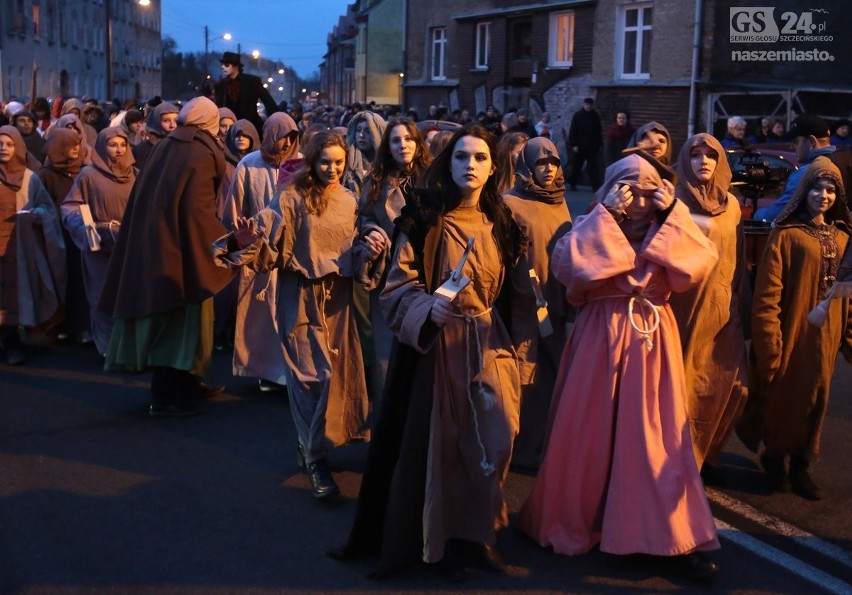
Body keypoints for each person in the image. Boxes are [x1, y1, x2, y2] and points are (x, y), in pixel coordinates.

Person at [333, 124, 527, 580]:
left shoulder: (502, 223)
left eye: (480, 158)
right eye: (462, 157)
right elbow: (396, 286)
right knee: (442, 447)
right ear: (449, 162)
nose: (471, 166)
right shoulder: (423, 217)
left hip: (486, 343)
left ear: (493, 166)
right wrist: (427, 308)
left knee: (495, 438)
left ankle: (480, 532)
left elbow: (516, 290)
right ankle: (444, 537)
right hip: (436, 351)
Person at [517, 153, 721, 582]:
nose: (641, 202)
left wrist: (674, 211)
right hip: (600, 338)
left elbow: (700, 265)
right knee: (588, 433)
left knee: (655, 439)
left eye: (649, 192)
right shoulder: (590, 224)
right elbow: (568, 266)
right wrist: (606, 213)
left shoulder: (668, 226)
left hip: (651, 341)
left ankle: (667, 534)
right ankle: (581, 520)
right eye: (631, 191)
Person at [216, 131, 370, 498]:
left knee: (334, 378)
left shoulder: (350, 200)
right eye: (325, 162)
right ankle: (315, 457)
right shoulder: (290, 197)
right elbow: (265, 245)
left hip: (338, 301)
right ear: (312, 162)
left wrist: (371, 244)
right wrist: (243, 240)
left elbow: (356, 247)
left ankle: (312, 447)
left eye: (338, 162)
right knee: (310, 378)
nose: (332, 169)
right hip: (299, 295)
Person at [99, 96, 235, 417]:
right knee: (176, 320)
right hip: (179, 248)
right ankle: (167, 395)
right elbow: (197, 209)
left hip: (160, 243)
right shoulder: (199, 151)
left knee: (183, 319)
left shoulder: (169, 144)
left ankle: (186, 382)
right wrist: (222, 242)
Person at [736, 157, 852, 501]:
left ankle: (801, 464)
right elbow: (767, 296)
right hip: (791, 334)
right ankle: (775, 459)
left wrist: (848, 337)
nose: (824, 195)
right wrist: (769, 341)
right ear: (804, 192)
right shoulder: (786, 236)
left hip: (826, 337)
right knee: (783, 398)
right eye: (817, 187)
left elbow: (848, 293)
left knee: (816, 398)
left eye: (831, 189)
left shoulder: (844, 238)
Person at [669, 133, 749, 484]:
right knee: (683, 387)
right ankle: (680, 459)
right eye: (696, 155)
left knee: (733, 385)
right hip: (680, 309)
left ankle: (710, 449)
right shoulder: (672, 199)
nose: (704, 161)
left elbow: (739, 256)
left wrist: (739, 303)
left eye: (711, 155)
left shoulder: (731, 205)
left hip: (721, 308)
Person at [501, 137, 572, 469]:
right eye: (541, 163)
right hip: (523, 303)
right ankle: (517, 447)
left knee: (552, 375)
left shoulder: (559, 201)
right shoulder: (510, 203)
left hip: (555, 302)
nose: (548, 169)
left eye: (553, 163)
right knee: (523, 374)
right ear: (527, 166)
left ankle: (544, 444)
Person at [355, 117, 431, 408]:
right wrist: (372, 231)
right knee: (387, 351)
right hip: (389, 275)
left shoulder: (433, 177)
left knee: (422, 352)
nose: (403, 145)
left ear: (417, 142)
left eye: (408, 139)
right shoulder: (376, 179)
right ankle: (386, 424)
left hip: (426, 275)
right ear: (387, 145)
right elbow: (364, 217)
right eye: (396, 140)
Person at [222, 112, 301, 392]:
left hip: (291, 251)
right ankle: (265, 371)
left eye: (290, 137)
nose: (285, 143)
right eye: (281, 136)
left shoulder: (301, 164)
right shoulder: (249, 164)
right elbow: (234, 210)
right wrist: (241, 238)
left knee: (289, 314)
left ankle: (289, 373)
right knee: (261, 316)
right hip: (257, 250)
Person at [61, 127, 137, 355]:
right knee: (102, 296)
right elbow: (70, 205)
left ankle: (128, 348)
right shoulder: (88, 175)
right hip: (99, 245)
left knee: (128, 295)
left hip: (129, 245)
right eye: (113, 145)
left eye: (123, 145)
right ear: (102, 147)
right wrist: (84, 227)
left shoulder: (136, 175)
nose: (118, 150)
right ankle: (108, 349)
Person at [0, 126, 66, 365]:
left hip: (19, 250)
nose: (3, 148)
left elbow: (47, 209)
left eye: (9, 144)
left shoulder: (30, 179)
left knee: (17, 295)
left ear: (18, 147)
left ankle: (11, 341)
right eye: (0, 143)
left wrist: (36, 215)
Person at [37, 128, 88, 344]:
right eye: (70, 144)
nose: (76, 148)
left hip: (80, 233)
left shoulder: (84, 171)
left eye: (77, 143)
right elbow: (40, 203)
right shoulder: (46, 175)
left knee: (81, 281)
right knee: (61, 279)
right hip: (56, 235)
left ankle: (81, 325)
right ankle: (61, 325)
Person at [754, 115, 836, 222]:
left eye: (796, 142)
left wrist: (757, 213)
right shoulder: (842, 162)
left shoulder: (806, 172)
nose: (792, 147)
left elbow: (774, 216)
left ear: (811, 142)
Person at [213, 51, 279, 133]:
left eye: (226, 65)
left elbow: (268, 102)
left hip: (250, 126)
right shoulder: (220, 85)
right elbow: (218, 107)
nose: (222, 67)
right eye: (222, 65)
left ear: (235, 67)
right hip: (228, 128)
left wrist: (277, 120)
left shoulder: (252, 82)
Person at [341, 110, 387, 198]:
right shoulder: (346, 159)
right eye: (358, 130)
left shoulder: (388, 163)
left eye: (368, 131)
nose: (361, 135)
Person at [567, 97, 603, 191]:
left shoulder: (595, 116)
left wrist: (599, 144)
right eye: (587, 104)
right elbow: (573, 130)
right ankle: (573, 183)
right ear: (584, 104)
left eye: (590, 105)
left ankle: (595, 185)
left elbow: (598, 131)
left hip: (592, 146)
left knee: (593, 167)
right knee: (577, 166)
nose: (588, 106)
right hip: (580, 146)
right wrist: (574, 144)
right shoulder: (578, 115)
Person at [131, 102, 179, 171]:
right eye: (166, 120)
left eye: (176, 120)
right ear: (156, 122)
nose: (172, 125)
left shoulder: (183, 146)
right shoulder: (143, 150)